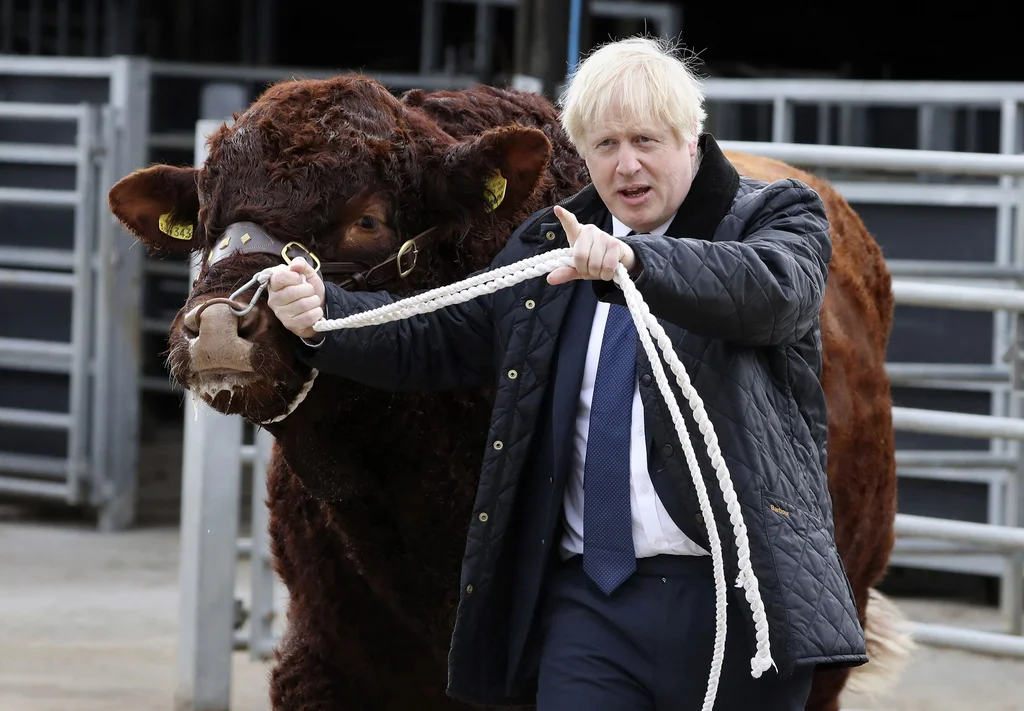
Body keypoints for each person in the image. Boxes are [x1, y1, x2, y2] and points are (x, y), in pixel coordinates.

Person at [267, 36, 866, 711]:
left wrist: (638, 264)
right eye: (605, 145)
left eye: (646, 139)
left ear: (691, 139)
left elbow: (770, 294)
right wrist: (325, 315)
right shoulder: (551, 244)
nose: (627, 164)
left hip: (737, 599)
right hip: (591, 606)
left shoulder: (776, 216)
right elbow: (441, 334)